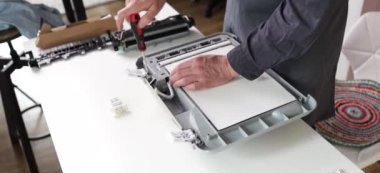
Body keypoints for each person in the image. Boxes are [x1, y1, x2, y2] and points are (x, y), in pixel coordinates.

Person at [116, 0, 348, 126]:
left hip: (296, 55)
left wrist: (230, 65)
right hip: (243, 31)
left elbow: (307, 13)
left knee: (286, 143)